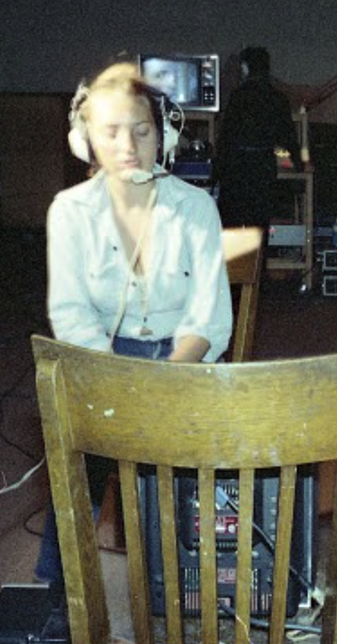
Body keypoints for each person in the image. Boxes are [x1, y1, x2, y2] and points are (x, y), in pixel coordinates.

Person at [34, 59, 233, 584]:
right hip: (102, 360)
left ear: (163, 134)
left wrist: (167, 376)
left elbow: (209, 317)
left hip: (183, 362)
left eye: (142, 131)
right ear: (85, 141)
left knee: (186, 490)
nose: (128, 146)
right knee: (74, 471)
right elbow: (71, 313)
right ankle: (59, 603)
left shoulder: (194, 209)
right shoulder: (69, 210)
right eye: (111, 132)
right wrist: (117, 380)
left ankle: (182, 595)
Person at [215, 46, 300, 229]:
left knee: (232, 232)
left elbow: (226, 138)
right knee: (259, 230)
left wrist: (215, 173)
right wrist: (298, 163)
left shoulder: (238, 97)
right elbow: (288, 137)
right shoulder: (278, 98)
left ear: (245, 67)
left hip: (235, 171)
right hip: (263, 170)